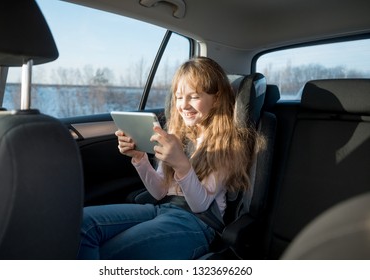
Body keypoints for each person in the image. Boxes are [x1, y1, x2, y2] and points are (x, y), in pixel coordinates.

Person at [77, 56, 261, 259]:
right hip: (161, 209)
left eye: (194, 96)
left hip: (197, 223)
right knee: (81, 224)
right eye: (179, 97)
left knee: (110, 255)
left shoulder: (226, 144)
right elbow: (159, 192)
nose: (184, 105)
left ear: (216, 99)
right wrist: (140, 158)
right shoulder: (177, 134)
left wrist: (181, 165)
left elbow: (200, 205)